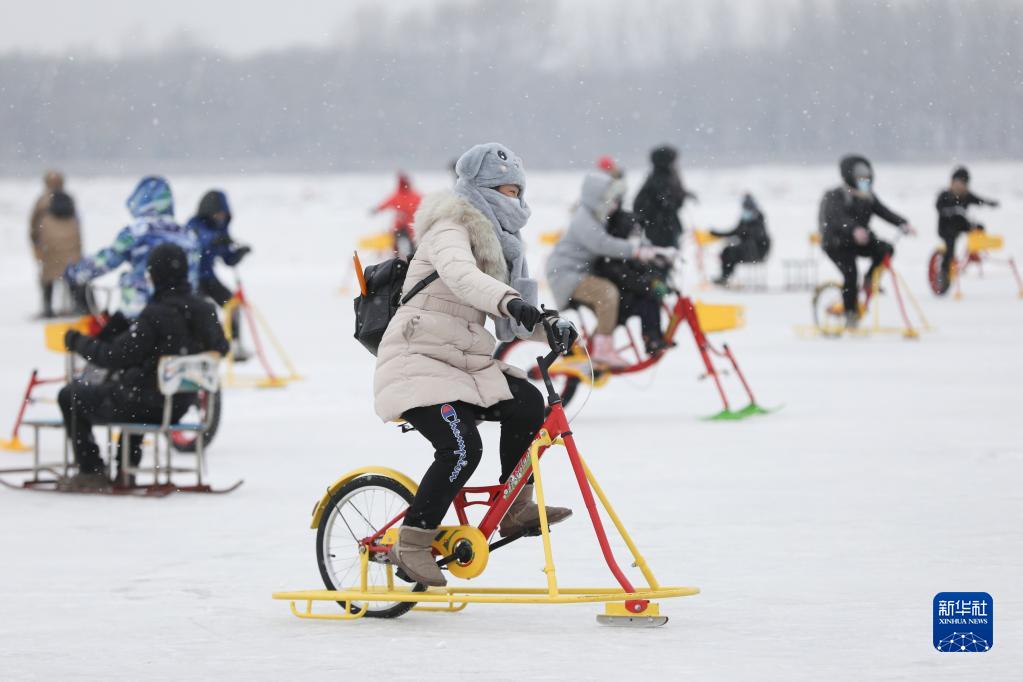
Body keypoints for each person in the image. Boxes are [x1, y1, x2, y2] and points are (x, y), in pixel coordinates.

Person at [375, 142, 571, 587]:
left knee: (526, 402)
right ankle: (412, 543)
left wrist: (551, 324)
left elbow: (513, 323)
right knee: (462, 448)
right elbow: (465, 279)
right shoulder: (450, 226)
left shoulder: (506, 244)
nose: (514, 198)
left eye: (518, 190)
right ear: (480, 188)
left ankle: (515, 505)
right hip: (415, 359)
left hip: (463, 362)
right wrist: (511, 301)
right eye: (504, 189)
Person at [57, 243, 229, 491]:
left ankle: (91, 470)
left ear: (155, 275)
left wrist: (77, 342)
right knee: (136, 388)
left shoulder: (155, 314)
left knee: (71, 395)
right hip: (181, 402)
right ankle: (125, 471)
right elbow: (221, 348)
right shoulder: (205, 310)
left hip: (145, 403)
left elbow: (113, 355)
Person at [547, 172, 674, 367]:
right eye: (610, 200)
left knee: (613, 306)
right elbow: (602, 244)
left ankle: (594, 349)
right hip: (566, 274)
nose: (614, 205)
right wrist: (637, 252)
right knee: (607, 294)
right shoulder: (584, 218)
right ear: (596, 198)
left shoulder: (596, 217)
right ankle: (602, 350)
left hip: (577, 273)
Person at [65, 176, 198, 318]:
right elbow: (194, 275)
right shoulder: (188, 234)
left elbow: (108, 260)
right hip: (182, 309)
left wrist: (77, 271)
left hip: (141, 308)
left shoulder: (137, 231)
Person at [819, 155, 915, 328]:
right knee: (850, 274)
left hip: (859, 241)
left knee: (886, 249)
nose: (864, 181)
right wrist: (853, 229)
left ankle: (870, 278)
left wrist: (903, 223)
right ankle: (850, 313)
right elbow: (837, 218)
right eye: (860, 177)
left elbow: (884, 212)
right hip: (837, 244)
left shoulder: (868, 196)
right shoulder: (835, 196)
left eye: (866, 177)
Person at [593, 185, 672, 353]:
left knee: (651, 298)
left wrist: (655, 279)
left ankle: (653, 337)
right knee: (649, 300)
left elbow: (641, 269)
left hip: (626, 297)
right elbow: (623, 276)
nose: (635, 239)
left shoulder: (626, 251)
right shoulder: (611, 256)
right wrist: (648, 285)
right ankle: (651, 339)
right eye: (632, 234)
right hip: (619, 302)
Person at [185, 190, 251, 359]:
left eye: (223, 214)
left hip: (208, 278)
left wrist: (238, 254)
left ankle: (235, 343)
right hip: (192, 279)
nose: (220, 217)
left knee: (233, 304)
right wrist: (215, 240)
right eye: (218, 214)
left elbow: (227, 258)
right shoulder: (194, 226)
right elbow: (200, 241)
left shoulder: (220, 230)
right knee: (204, 310)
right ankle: (204, 346)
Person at [935, 166, 999, 283]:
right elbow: (939, 207)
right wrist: (951, 210)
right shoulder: (944, 194)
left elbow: (980, 200)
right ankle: (944, 272)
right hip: (946, 227)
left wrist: (990, 203)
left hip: (961, 224)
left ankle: (974, 252)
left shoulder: (966, 196)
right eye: (958, 183)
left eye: (964, 183)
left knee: (978, 228)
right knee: (950, 245)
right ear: (952, 182)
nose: (960, 186)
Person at [31, 191, 85, 317]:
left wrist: (37, 246)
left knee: (48, 278)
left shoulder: (43, 204)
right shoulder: (70, 204)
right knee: (72, 277)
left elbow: (34, 228)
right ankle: (78, 306)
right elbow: (78, 232)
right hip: (71, 252)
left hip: (51, 252)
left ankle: (48, 308)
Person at [633, 145, 697, 248]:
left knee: (666, 254)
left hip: (664, 225)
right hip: (661, 227)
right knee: (664, 255)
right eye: (673, 160)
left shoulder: (659, 176)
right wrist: (681, 197)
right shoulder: (660, 178)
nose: (676, 164)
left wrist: (685, 195)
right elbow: (668, 203)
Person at [712, 194, 772, 286]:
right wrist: (717, 234)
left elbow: (757, 238)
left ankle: (725, 277)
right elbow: (734, 232)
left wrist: (744, 233)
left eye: (747, 208)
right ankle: (725, 277)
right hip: (745, 249)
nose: (745, 211)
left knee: (731, 251)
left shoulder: (758, 221)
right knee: (727, 251)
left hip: (756, 252)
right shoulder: (744, 221)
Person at [372, 173, 422, 258]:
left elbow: (385, 203)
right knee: (410, 244)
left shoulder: (398, 195)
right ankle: (410, 258)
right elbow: (425, 202)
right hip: (406, 226)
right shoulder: (414, 195)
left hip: (403, 226)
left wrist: (377, 209)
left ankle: (399, 258)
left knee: (400, 243)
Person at [29, 170, 66, 246]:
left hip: (48, 249)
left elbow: (33, 225)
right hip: (71, 250)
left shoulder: (43, 200)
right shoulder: (69, 200)